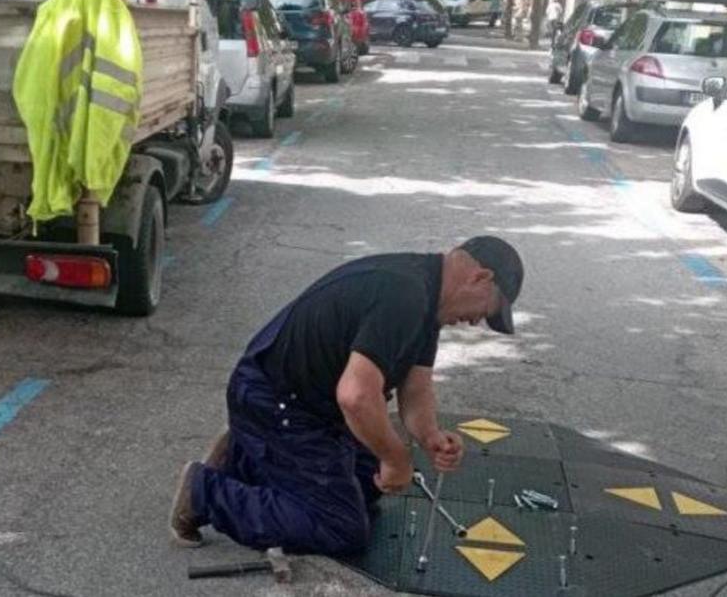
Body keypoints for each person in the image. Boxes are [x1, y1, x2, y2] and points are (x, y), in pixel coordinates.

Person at [169, 237, 524, 554]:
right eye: (488, 311)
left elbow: (416, 389)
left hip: (306, 405)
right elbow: (355, 396)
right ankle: (205, 493)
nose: (478, 322)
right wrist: (397, 459)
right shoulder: (405, 294)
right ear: (481, 278)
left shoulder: (428, 298)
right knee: (342, 527)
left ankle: (245, 455)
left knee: (369, 480)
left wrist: (430, 436)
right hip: (274, 401)